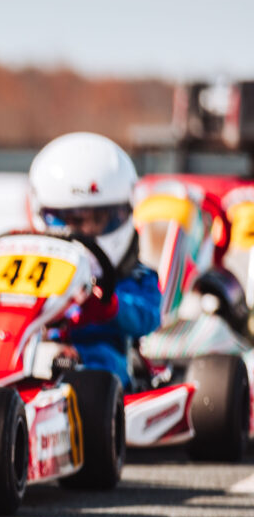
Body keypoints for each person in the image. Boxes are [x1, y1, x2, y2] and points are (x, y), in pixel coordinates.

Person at [27, 132, 162, 387]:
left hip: (101, 361)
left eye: (98, 219)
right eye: (74, 221)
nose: (85, 232)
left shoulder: (135, 277)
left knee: (104, 360)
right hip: (29, 351)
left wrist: (111, 306)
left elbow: (148, 315)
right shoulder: (29, 270)